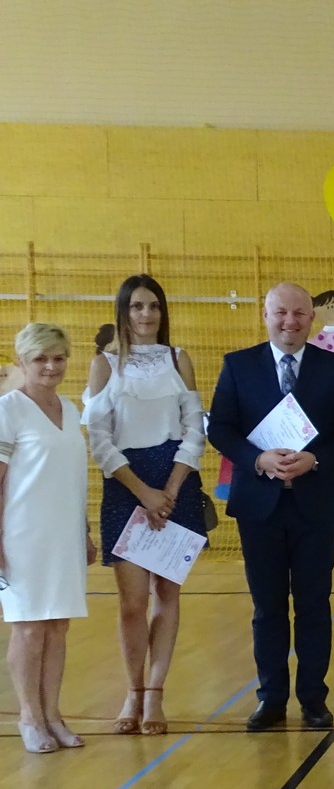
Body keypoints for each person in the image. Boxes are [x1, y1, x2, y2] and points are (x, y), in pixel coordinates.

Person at [208, 283, 334, 731]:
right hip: (259, 505)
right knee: (267, 608)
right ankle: (271, 698)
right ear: (265, 315)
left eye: (299, 313)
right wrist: (257, 459)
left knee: (315, 605)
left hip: (316, 503)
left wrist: (316, 458)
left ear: (312, 318)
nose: (290, 321)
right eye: (281, 312)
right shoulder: (238, 365)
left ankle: (314, 699)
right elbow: (220, 428)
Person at [84, 274, 206, 736]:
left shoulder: (179, 359)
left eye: (153, 305)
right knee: (133, 603)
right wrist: (144, 492)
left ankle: (155, 692)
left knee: (167, 596)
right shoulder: (104, 364)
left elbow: (194, 429)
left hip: (176, 484)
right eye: (136, 306)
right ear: (123, 311)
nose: (146, 314)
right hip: (126, 484)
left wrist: (170, 489)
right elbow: (99, 439)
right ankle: (132, 691)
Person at [0, 323, 95, 753]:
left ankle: (53, 715)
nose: (51, 366)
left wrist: (85, 531)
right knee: (29, 629)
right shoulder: (9, 410)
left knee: (58, 627)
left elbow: (71, 478)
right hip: (23, 536)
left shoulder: (70, 409)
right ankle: (29, 717)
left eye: (59, 358)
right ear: (22, 361)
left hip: (64, 535)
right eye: (41, 358)